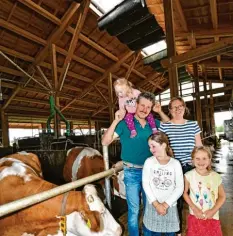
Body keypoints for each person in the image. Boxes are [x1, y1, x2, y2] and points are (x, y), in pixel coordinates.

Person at [102, 92, 169, 236]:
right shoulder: (124, 124)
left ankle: (148, 233)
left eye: (148, 107)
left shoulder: (154, 124)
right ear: (136, 105)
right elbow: (105, 141)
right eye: (142, 105)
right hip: (131, 172)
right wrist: (115, 120)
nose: (145, 109)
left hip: (152, 172)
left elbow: (170, 126)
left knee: (150, 207)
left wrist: (160, 112)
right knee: (134, 210)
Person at [158, 96, 203, 235]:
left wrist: (202, 164)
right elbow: (162, 146)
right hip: (173, 168)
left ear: (185, 108)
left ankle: (196, 228)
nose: (177, 109)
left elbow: (199, 145)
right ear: (170, 110)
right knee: (175, 200)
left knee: (193, 198)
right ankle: (176, 230)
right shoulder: (164, 126)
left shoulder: (193, 124)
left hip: (191, 167)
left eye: (180, 106)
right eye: (174, 107)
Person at [142, 132, 184, 236]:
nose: (151, 149)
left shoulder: (175, 163)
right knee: (154, 232)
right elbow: (146, 184)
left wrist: (165, 205)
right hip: (153, 204)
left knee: (170, 232)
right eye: (149, 147)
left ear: (164, 145)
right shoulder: (149, 162)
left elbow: (179, 187)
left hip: (170, 205)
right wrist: (156, 204)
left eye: (153, 146)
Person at [183, 146, 226, 236]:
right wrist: (194, 208)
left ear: (209, 159)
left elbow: (222, 196)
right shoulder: (188, 175)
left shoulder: (216, 177)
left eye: (204, 158)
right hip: (195, 216)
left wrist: (213, 211)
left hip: (212, 216)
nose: (201, 162)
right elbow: (184, 193)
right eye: (197, 158)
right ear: (192, 160)